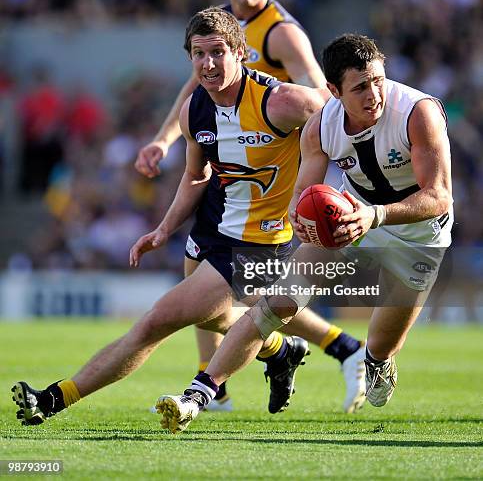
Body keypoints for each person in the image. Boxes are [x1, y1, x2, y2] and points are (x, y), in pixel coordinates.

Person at [12, 9, 357, 427]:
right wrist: (163, 228)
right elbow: (196, 176)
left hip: (260, 244)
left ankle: (53, 399)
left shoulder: (283, 101)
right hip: (213, 226)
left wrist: (348, 196)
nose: (208, 64)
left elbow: (343, 123)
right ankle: (278, 350)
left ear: (242, 54)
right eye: (198, 54)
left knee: (156, 322)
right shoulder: (194, 110)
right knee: (210, 316)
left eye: (217, 53)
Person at [158, 32, 453, 434]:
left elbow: (438, 196)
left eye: (379, 80)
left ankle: (376, 361)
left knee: (381, 346)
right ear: (333, 91)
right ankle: (197, 396)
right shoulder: (320, 126)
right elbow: (301, 197)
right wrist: (301, 218)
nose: (374, 94)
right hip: (348, 215)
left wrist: (376, 216)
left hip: (417, 233)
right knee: (275, 302)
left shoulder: (418, 113)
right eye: (361, 87)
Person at [134, 0, 366, 412]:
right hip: (230, 166)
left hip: (271, 173)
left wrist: (337, 173)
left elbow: (322, 101)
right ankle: (273, 362)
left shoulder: (282, 33)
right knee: (206, 281)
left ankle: (230, 378)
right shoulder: (217, 30)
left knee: (232, 288)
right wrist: (163, 138)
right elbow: (194, 94)